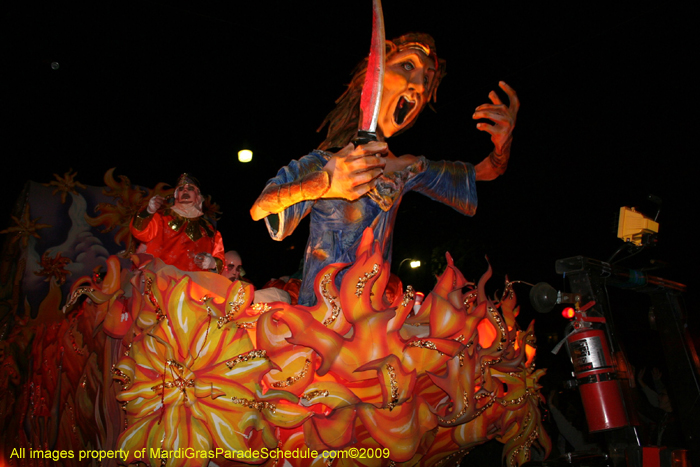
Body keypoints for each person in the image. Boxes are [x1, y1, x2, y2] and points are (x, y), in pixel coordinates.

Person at [250, 33, 519, 306]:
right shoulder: (325, 163)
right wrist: (325, 183)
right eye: (407, 66)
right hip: (320, 321)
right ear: (373, 76)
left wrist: (501, 149)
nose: (419, 87)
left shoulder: (407, 168)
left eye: (427, 79)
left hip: (371, 323)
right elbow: (261, 207)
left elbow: (486, 172)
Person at [130, 174, 224, 273]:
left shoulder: (209, 229)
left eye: (190, 188)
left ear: (198, 195)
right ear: (175, 195)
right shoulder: (161, 218)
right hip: (162, 283)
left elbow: (220, 260)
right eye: (181, 188)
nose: (185, 191)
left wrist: (213, 263)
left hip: (195, 285)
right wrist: (148, 211)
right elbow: (138, 232)